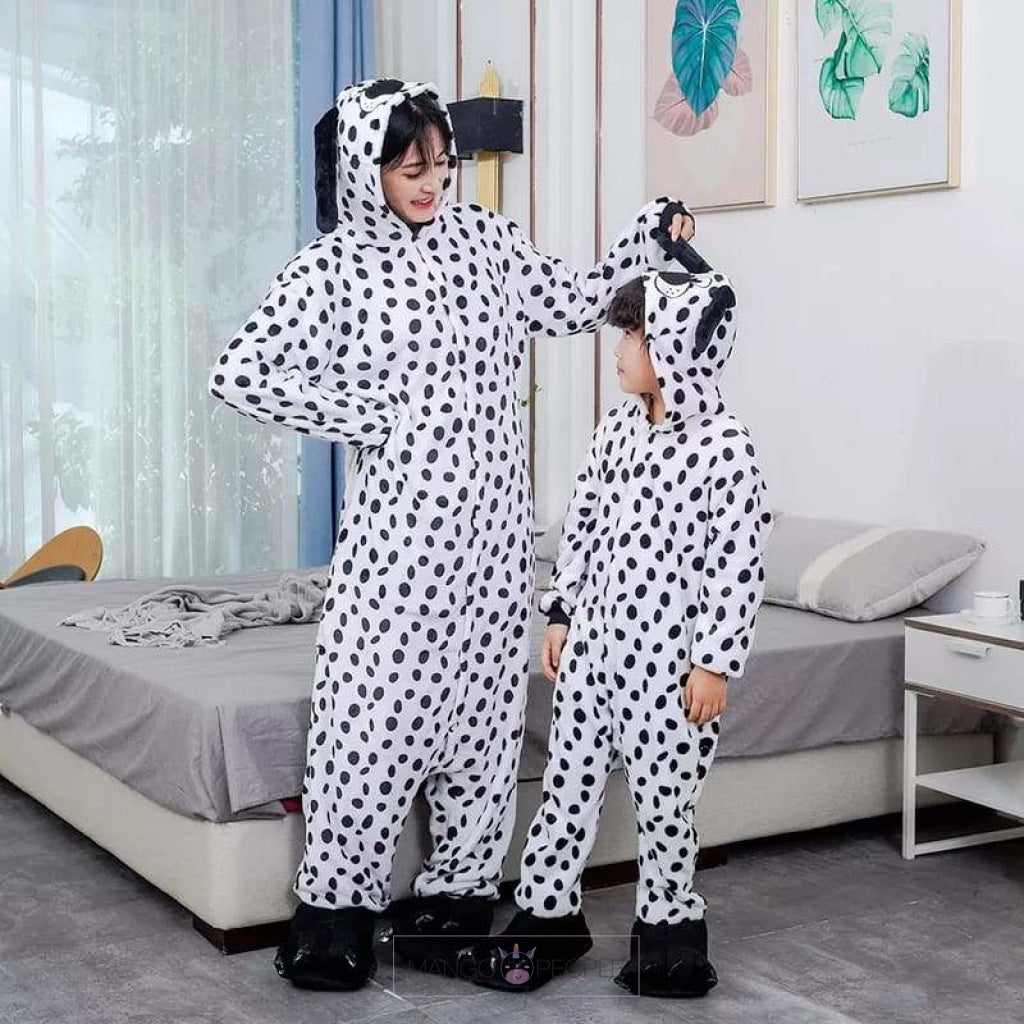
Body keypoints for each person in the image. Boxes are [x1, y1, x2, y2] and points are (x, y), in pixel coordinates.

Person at [208, 77, 694, 991]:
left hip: (497, 548)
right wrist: (369, 415)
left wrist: (644, 240)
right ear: (367, 169)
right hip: (401, 550)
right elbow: (241, 372)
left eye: (441, 162)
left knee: (485, 727)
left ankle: (458, 895)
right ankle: (335, 915)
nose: (432, 182)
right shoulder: (334, 268)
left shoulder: (487, 240)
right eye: (410, 168)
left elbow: (577, 300)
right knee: (370, 724)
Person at [465, 263, 773, 998]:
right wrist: (561, 612)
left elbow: (738, 565)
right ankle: (547, 918)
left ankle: (669, 936)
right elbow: (582, 528)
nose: (620, 349)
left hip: (670, 670)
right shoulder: (616, 433)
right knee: (566, 792)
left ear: (675, 344)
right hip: (593, 654)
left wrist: (715, 662)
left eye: (633, 335)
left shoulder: (726, 448)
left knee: (666, 808)